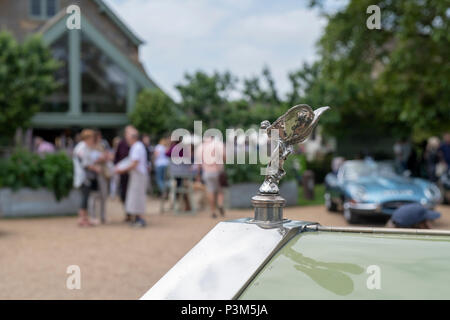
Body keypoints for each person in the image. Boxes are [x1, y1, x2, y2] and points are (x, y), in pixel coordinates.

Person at [115, 126, 148, 227]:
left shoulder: (136, 147)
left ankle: (140, 218)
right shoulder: (137, 146)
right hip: (137, 175)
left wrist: (121, 170)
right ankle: (137, 218)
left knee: (137, 197)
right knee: (135, 197)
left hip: (138, 175)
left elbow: (134, 163)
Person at [73, 129, 101, 227]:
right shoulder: (82, 148)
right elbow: (85, 164)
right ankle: (82, 219)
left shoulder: (85, 147)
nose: (93, 141)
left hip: (85, 177)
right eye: (92, 138)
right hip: (83, 177)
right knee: (84, 198)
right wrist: (95, 168)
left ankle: (85, 218)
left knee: (86, 197)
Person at [195, 136, 226, 218]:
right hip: (218, 171)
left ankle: (213, 211)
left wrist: (198, 175)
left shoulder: (200, 147)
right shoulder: (219, 144)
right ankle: (220, 204)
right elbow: (224, 157)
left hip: (207, 172)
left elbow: (198, 163)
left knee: (210, 191)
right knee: (220, 190)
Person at [114, 126, 132, 222]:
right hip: (123, 173)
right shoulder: (122, 143)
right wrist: (117, 167)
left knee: (132, 193)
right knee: (124, 193)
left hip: (132, 173)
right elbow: (117, 157)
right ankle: (127, 212)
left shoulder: (136, 144)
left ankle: (132, 213)